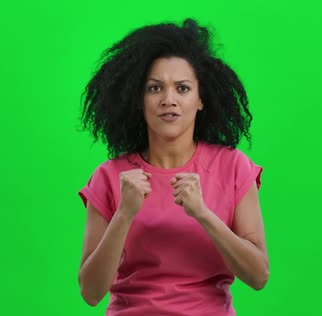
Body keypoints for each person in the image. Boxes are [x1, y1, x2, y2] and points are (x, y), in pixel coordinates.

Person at [77, 18, 269, 316]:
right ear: (138, 100)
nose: (169, 100)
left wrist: (203, 213)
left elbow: (258, 276)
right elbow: (90, 293)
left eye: (182, 88)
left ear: (201, 99)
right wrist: (124, 214)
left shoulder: (233, 167)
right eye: (155, 88)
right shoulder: (110, 176)